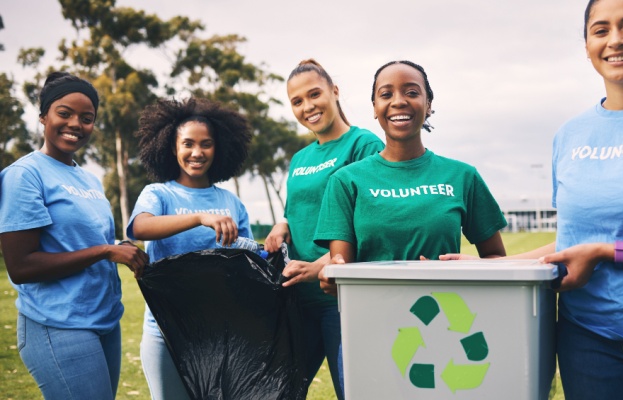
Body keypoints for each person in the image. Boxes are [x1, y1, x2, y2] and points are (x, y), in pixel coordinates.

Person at [446, 1, 623, 398]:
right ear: (587, 44)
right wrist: (491, 267)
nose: (616, 40)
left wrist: (610, 252)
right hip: (588, 340)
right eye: (601, 30)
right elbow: (574, 241)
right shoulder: (570, 135)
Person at [0, 71, 149, 399]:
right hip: (58, 324)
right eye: (64, 113)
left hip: (104, 321)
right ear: (43, 117)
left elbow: (90, 241)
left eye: (87, 117)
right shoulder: (24, 175)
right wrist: (106, 252)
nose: (75, 124)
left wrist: (117, 247)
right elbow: (21, 267)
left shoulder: (89, 180)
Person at [315, 60, 507, 289]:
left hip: (449, 315)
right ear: (375, 108)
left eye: (412, 92)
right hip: (372, 316)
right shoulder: (345, 181)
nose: (399, 101)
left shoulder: (463, 176)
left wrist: (460, 271)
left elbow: (497, 260)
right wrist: (332, 278)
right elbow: (340, 275)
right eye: (386, 94)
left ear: (428, 105)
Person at [263, 59, 384, 399]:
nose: (307, 106)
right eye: (297, 101)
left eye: (314, 94)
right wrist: (282, 223)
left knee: (356, 391)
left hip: (342, 299)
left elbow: (370, 222)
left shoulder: (363, 145)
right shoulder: (300, 159)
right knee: (278, 392)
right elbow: (298, 208)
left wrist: (323, 264)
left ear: (334, 91)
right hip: (298, 302)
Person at [127, 97, 253, 400]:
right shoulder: (158, 193)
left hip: (219, 333)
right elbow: (139, 227)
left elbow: (249, 259)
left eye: (206, 144)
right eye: (188, 144)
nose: (197, 152)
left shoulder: (232, 203)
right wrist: (199, 218)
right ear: (173, 147)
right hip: (165, 333)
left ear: (218, 148)